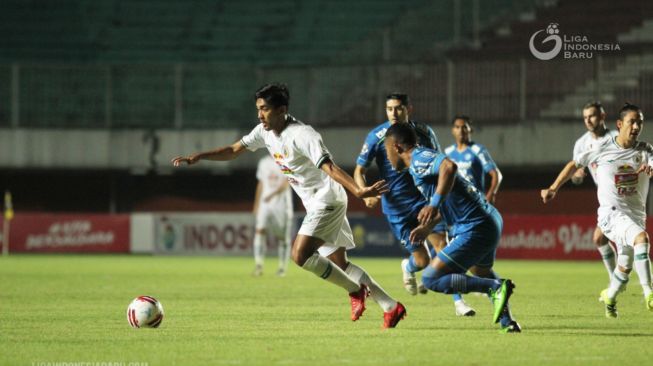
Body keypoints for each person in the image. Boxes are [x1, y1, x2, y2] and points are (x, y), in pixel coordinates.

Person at [172, 83, 406, 328]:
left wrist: (358, 190)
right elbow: (234, 150)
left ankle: (355, 290)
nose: (260, 114)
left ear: (282, 109)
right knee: (340, 264)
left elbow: (330, 166)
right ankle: (391, 306)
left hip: (327, 199)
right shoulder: (264, 132)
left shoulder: (303, 135)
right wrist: (200, 156)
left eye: (264, 109)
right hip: (317, 201)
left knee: (300, 254)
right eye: (258, 109)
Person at [384, 122, 520, 332]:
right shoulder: (418, 164)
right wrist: (427, 228)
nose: (387, 157)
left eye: (386, 151)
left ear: (396, 147)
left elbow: (450, 167)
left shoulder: (419, 158)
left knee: (430, 279)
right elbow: (447, 199)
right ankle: (507, 321)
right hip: (487, 220)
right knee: (481, 271)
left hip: (474, 225)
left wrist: (433, 203)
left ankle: (494, 288)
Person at [353, 93, 475, 317]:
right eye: (389, 109)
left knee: (444, 248)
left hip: (423, 202)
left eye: (398, 108)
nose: (394, 113)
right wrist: (365, 194)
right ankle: (409, 267)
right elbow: (359, 170)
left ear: (409, 108)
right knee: (422, 260)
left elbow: (438, 162)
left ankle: (459, 302)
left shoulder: (424, 132)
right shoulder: (376, 137)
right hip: (397, 208)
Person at [544, 103, 653, 317]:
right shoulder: (600, 148)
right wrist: (553, 187)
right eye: (632, 121)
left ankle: (610, 296)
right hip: (611, 214)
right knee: (642, 239)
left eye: (640, 122)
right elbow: (574, 164)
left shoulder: (645, 150)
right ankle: (649, 293)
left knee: (625, 266)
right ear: (620, 124)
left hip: (636, 215)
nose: (636, 126)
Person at [541, 102, 618, 282]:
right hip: (607, 199)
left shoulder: (616, 138)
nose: (588, 120)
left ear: (602, 116)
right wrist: (578, 176)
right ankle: (617, 280)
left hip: (622, 194)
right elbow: (575, 175)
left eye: (592, 116)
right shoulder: (582, 144)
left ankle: (626, 283)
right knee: (600, 240)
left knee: (621, 241)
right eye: (585, 117)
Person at [444, 115, 502, 204]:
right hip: (455, 203)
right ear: (453, 130)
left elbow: (496, 174)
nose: (460, 130)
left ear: (470, 129)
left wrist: (491, 194)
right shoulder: (448, 152)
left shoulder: (478, 150)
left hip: (475, 202)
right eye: (457, 127)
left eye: (464, 127)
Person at [251, 155, 293, 277]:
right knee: (260, 231)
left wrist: (272, 194)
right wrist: (256, 204)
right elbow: (261, 183)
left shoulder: (285, 160)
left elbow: (287, 182)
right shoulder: (263, 162)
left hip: (282, 205)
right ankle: (258, 265)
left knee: (283, 238)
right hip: (265, 204)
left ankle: (282, 268)